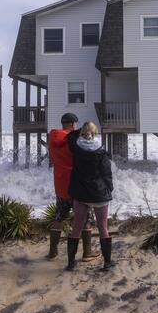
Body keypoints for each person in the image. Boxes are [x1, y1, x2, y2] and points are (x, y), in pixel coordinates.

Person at [46, 113, 96, 260]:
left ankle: (52, 251)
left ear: (62, 123)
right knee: (85, 217)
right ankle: (87, 253)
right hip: (77, 185)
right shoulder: (75, 139)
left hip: (61, 185)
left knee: (59, 217)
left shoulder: (53, 138)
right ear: (73, 124)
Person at [66, 121, 114, 271]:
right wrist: (109, 189)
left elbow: (71, 136)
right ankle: (107, 263)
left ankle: (71, 264)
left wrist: (80, 130)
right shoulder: (101, 151)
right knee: (103, 228)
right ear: (95, 134)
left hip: (81, 194)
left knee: (76, 228)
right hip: (99, 194)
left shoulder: (76, 148)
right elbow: (106, 174)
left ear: (82, 133)